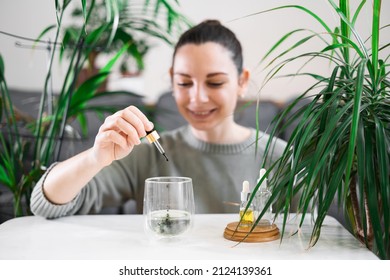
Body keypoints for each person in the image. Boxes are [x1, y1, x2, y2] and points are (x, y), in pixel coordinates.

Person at [30, 19, 286, 219]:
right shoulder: (146, 155)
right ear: (172, 80)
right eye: (184, 82)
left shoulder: (281, 157)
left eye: (215, 82)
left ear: (242, 81)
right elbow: (45, 203)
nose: (197, 98)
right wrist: (95, 158)